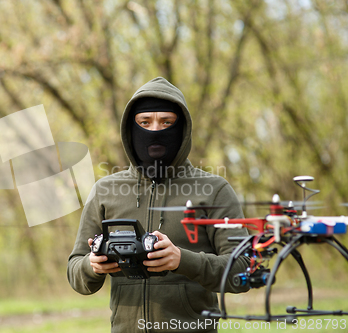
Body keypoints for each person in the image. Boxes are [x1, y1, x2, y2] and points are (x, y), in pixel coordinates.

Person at [67, 77, 249, 333]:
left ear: (182, 129)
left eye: (166, 122)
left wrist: (182, 260)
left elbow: (242, 270)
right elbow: (76, 271)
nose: (155, 131)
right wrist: (92, 265)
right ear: (131, 129)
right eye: (144, 122)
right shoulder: (105, 190)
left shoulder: (214, 191)